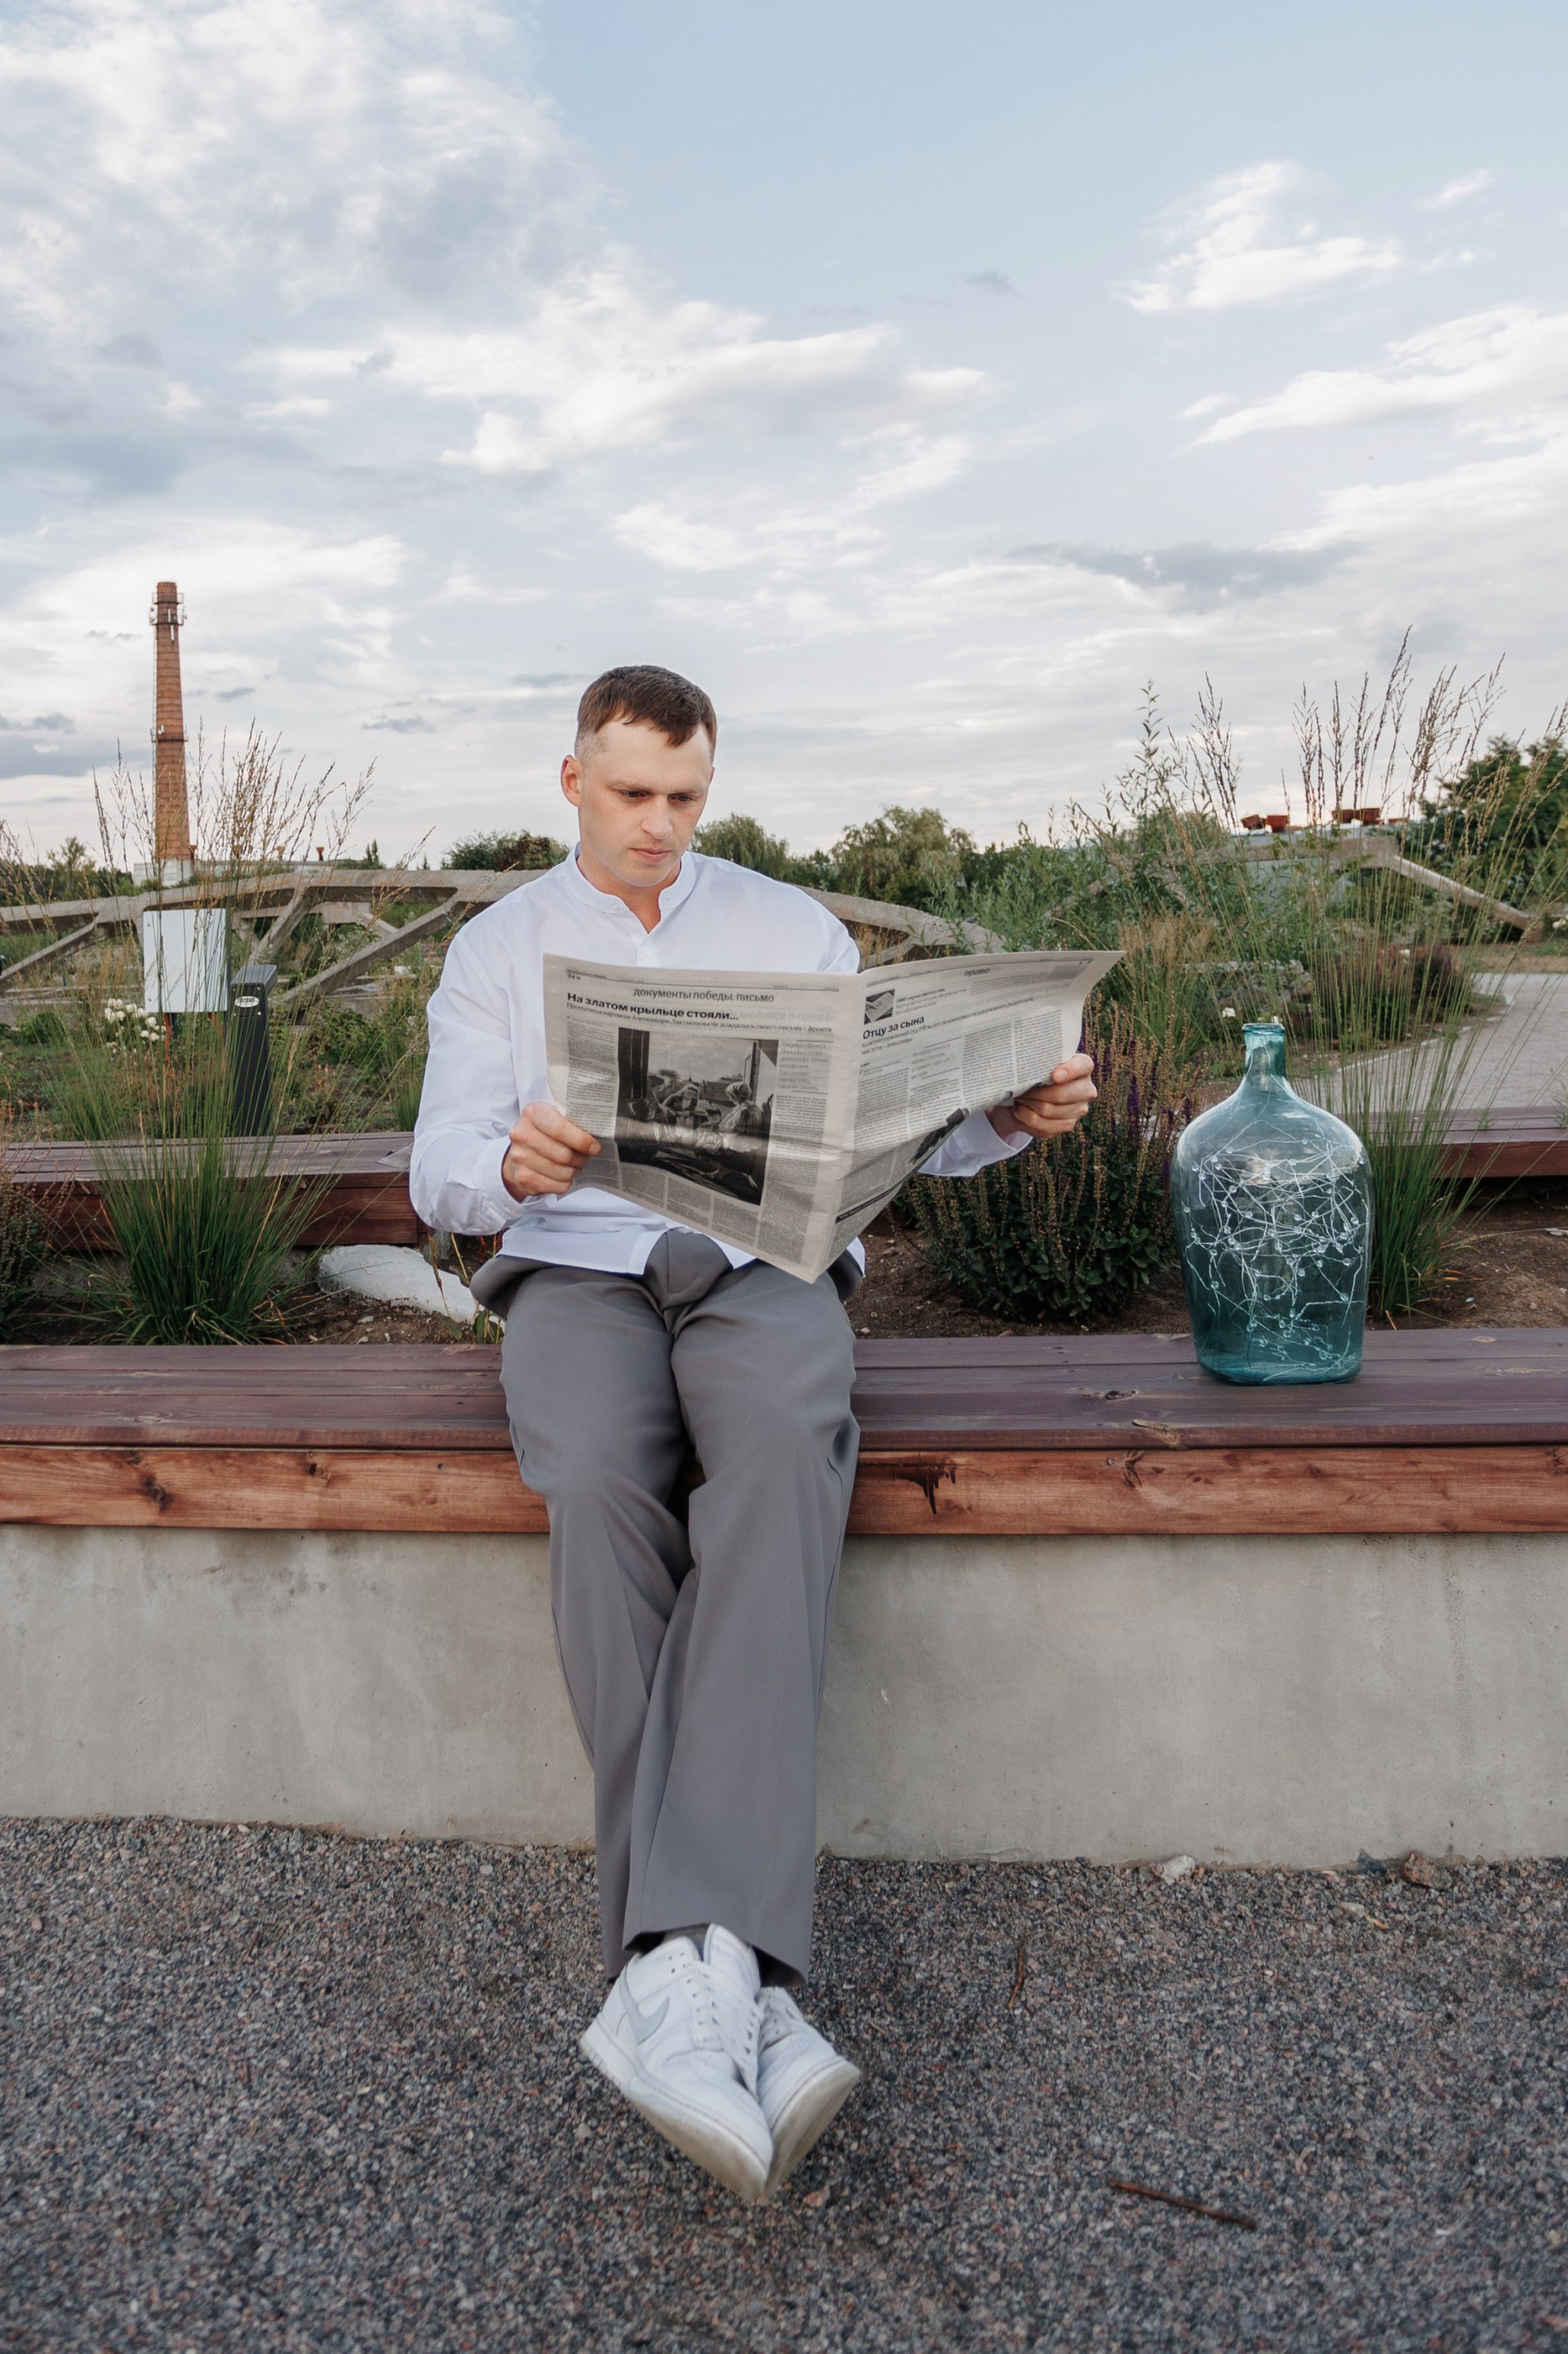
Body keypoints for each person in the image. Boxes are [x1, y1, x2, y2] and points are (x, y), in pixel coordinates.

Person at [410, 665, 1096, 2204]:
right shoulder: (496, 949)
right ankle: (740, 1972)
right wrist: (510, 1163)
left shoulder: (791, 928)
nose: (663, 826)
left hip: (759, 1266)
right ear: (572, 779)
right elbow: (436, 1170)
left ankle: (674, 1970)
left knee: (788, 1443)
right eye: (634, 793)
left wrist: (1005, 1116)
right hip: (577, 1266)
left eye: (688, 798)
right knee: (591, 1475)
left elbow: (893, 1124)